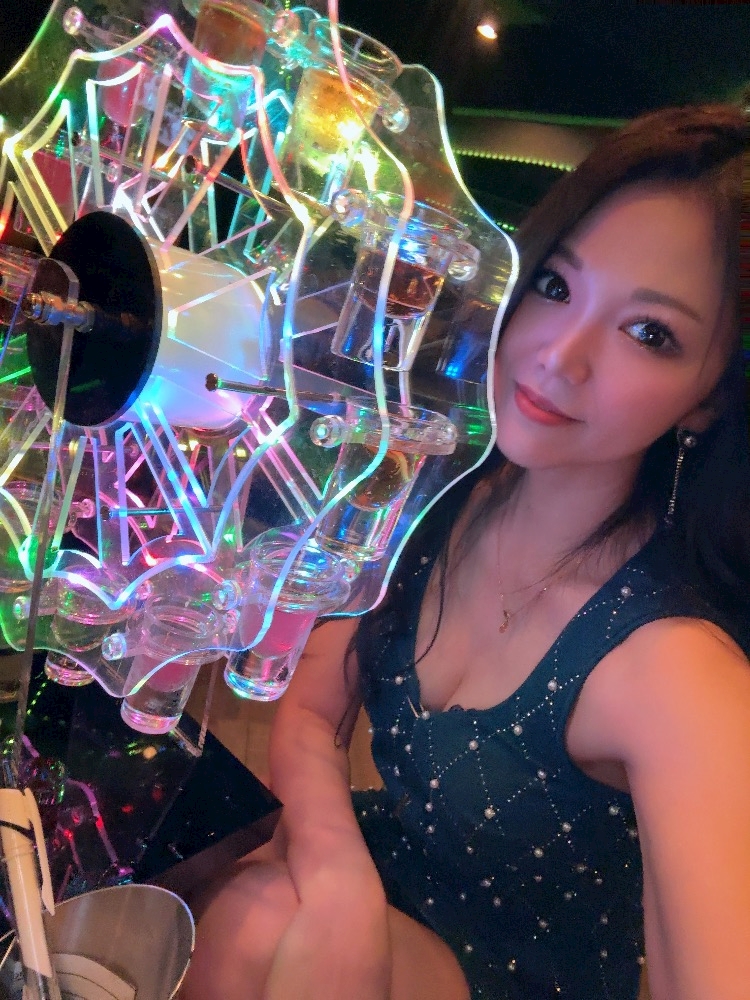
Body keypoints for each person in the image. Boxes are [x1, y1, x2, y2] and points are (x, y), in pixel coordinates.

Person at [179, 103, 750, 1000]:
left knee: (257, 919)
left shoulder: (679, 668)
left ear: (709, 398)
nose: (560, 356)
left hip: (512, 977)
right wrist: (337, 880)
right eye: (556, 285)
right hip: (366, 889)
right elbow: (309, 710)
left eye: (650, 333)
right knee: (237, 902)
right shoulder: (437, 492)